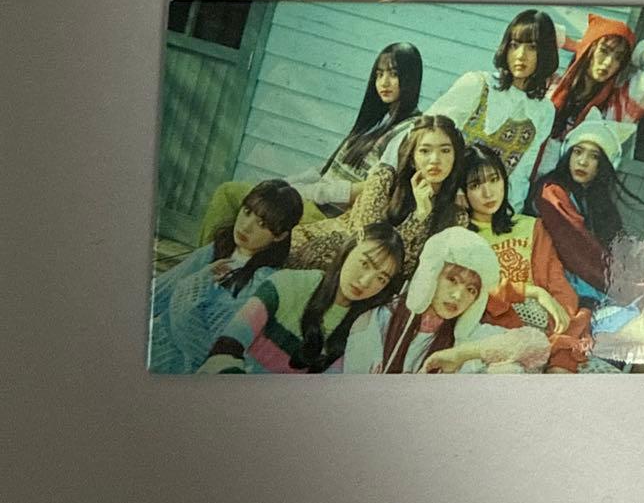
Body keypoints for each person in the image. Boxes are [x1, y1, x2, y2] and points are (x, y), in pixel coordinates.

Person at [197, 43, 423, 244]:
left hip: (325, 214)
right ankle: (215, 265)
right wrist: (285, 184)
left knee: (229, 194)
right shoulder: (377, 120)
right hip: (313, 200)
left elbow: (368, 189)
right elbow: (326, 171)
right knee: (237, 197)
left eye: (393, 74)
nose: (384, 82)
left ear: (410, 79)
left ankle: (204, 267)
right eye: (379, 74)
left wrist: (304, 193)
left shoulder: (406, 130)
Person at [531, 110, 644, 371]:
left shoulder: (596, 200)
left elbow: (621, 247)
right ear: (567, 154)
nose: (583, 161)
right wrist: (630, 284)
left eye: (594, 156)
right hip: (571, 296)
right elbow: (579, 251)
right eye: (578, 152)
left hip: (597, 296)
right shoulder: (552, 191)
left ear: (603, 165)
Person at [404, 10, 558, 212]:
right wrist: (449, 187)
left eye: (532, 47)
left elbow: (521, 172)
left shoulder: (545, 111)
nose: (521, 55)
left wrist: (509, 213)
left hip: (487, 208)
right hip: (443, 195)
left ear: (545, 53)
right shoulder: (478, 84)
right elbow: (423, 133)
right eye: (514, 45)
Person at [198, 224, 405, 374]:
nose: (366, 281)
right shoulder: (288, 283)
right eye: (365, 263)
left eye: (381, 278)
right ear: (348, 251)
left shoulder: (362, 328)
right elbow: (227, 346)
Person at [343, 226, 550, 374]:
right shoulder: (377, 320)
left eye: (471, 290)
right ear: (431, 274)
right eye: (452, 279)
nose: (458, 296)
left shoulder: (467, 334)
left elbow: (539, 346)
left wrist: (461, 354)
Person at [150, 180, 305, 373]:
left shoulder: (262, 282)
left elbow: (207, 349)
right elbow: (158, 293)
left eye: (262, 224)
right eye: (246, 212)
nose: (246, 227)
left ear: (279, 236)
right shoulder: (217, 249)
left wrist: (190, 288)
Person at [461, 145, 591, 373]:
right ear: (462, 193)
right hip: (495, 337)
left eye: (494, 179)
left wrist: (560, 349)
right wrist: (534, 292)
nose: (488, 193)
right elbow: (477, 294)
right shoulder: (462, 239)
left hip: (548, 332)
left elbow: (558, 285)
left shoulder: (532, 227)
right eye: (475, 185)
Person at [287, 114, 468, 276]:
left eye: (445, 150)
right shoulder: (384, 180)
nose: (435, 159)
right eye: (425, 151)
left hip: (370, 284)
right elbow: (368, 247)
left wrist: (422, 213)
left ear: (455, 157)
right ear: (412, 158)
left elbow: (406, 270)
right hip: (319, 252)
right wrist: (418, 217)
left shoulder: (456, 217)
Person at [522, 13, 644, 190]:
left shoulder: (615, 108)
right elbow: (532, 31)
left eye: (619, 58)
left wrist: (632, 52)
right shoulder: (549, 86)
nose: (609, 62)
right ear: (590, 49)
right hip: (516, 185)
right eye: (604, 51)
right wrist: (578, 45)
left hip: (560, 197)